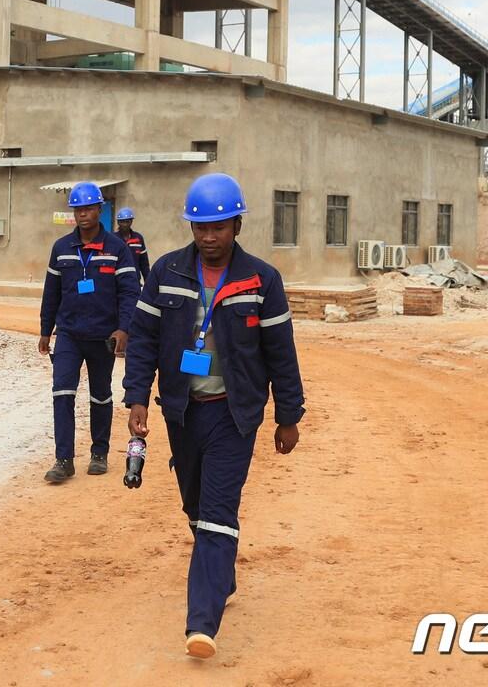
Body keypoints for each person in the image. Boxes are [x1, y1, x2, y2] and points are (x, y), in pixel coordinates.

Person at [122, 172, 305, 660]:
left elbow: (281, 353)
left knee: (219, 512)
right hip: (182, 413)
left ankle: (201, 623)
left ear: (237, 225)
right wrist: (137, 396)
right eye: (200, 228)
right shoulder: (165, 273)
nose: (208, 237)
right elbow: (142, 340)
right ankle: (221, 571)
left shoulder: (262, 280)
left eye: (219, 227)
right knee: (196, 508)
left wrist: (289, 415)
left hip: (234, 415)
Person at [38, 181, 140, 482]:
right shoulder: (61, 249)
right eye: (78, 209)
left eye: (89, 208)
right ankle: (63, 459)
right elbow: (51, 293)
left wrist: (124, 329)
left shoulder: (117, 249)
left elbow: (129, 293)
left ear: (100, 209)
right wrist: (46, 330)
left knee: (100, 395)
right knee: (62, 393)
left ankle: (99, 452)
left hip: (102, 336)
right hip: (68, 334)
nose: (83, 214)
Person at [116, 206, 151, 284]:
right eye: (122, 221)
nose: (125, 224)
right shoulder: (113, 239)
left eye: (127, 221)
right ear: (118, 222)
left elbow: (144, 265)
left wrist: (149, 284)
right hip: (117, 282)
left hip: (134, 282)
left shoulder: (138, 238)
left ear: (131, 222)